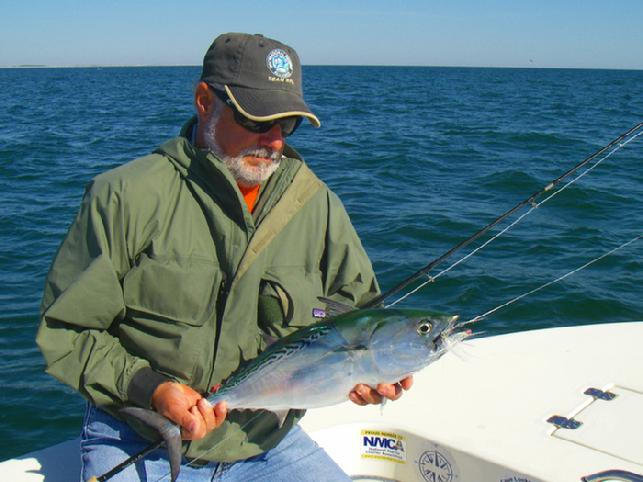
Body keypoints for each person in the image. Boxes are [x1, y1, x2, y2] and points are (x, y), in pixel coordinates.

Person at [36, 32, 413, 482]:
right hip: (140, 441)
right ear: (203, 101)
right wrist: (152, 390)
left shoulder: (318, 206)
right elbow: (68, 331)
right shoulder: (124, 197)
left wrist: (374, 372)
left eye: (287, 124)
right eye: (257, 120)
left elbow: (360, 318)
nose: (273, 141)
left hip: (268, 441)